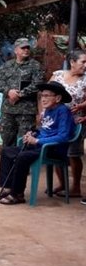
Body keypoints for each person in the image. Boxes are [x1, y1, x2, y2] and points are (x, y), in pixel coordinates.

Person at [0, 81, 75, 205]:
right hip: (40, 146)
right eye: (42, 96)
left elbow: (63, 136)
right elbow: (45, 130)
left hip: (53, 150)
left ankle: (18, 194)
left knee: (23, 156)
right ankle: (8, 188)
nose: (43, 99)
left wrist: (38, 140)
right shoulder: (48, 110)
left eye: (47, 96)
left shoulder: (63, 111)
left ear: (58, 98)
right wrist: (33, 134)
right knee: (7, 151)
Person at [49, 49, 86, 199]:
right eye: (83, 62)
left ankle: (76, 187)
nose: (85, 65)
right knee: (57, 151)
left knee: (73, 154)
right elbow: (45, 94)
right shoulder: (57, 75)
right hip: (56, 122)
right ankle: (62, 184)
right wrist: (43, 114)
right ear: (72, 62)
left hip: (77, 122)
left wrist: (83, 106)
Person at [0, 37, 44, 147]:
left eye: (28, 48)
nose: (26, 50)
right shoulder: (6, 66)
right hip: (8, 110)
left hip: (26, 111)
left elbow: (38, 84)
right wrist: (8, 92)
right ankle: (8, 164)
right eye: (23, 48)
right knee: (7, 140)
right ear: (16, 50)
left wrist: (20, 94)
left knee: (25, 142)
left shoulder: (35, 65)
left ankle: (21, 164)